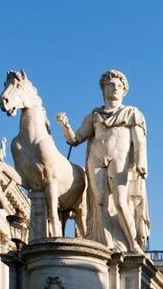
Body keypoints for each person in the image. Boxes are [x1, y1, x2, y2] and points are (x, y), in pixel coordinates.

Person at [57, 70, 150, 253]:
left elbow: (139, 141)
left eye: (119, 86)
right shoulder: (94, 115)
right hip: (96, 159)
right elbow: (75, 139)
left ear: (124, 91)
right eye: (110, 85)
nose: (115, 88)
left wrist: (140, 163)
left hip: (120, 159)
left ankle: (133, 244)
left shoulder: (132, 113)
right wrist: (65, 126)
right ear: (103, 90)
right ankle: (105, 245)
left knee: (121, 202)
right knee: (99, 203)